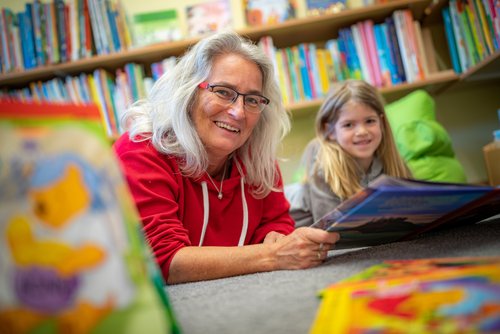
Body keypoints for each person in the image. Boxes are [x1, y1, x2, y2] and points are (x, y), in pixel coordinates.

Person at [113, 31, 339, 284]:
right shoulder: (140, 149)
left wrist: (276, 239)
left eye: (252, 99)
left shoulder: (256, 157)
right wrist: (273, 255)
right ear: (188, 93)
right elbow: (163, 261)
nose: (238, 111)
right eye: (222, 92)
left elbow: (275, 224)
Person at [286, 80, 412, 227]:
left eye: (370, 121)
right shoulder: (324, 169)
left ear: (382, 123)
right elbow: (329, 231)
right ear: (330, 131)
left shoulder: (391, 163)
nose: (362, 132)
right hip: (285, 219)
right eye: (348, 125)